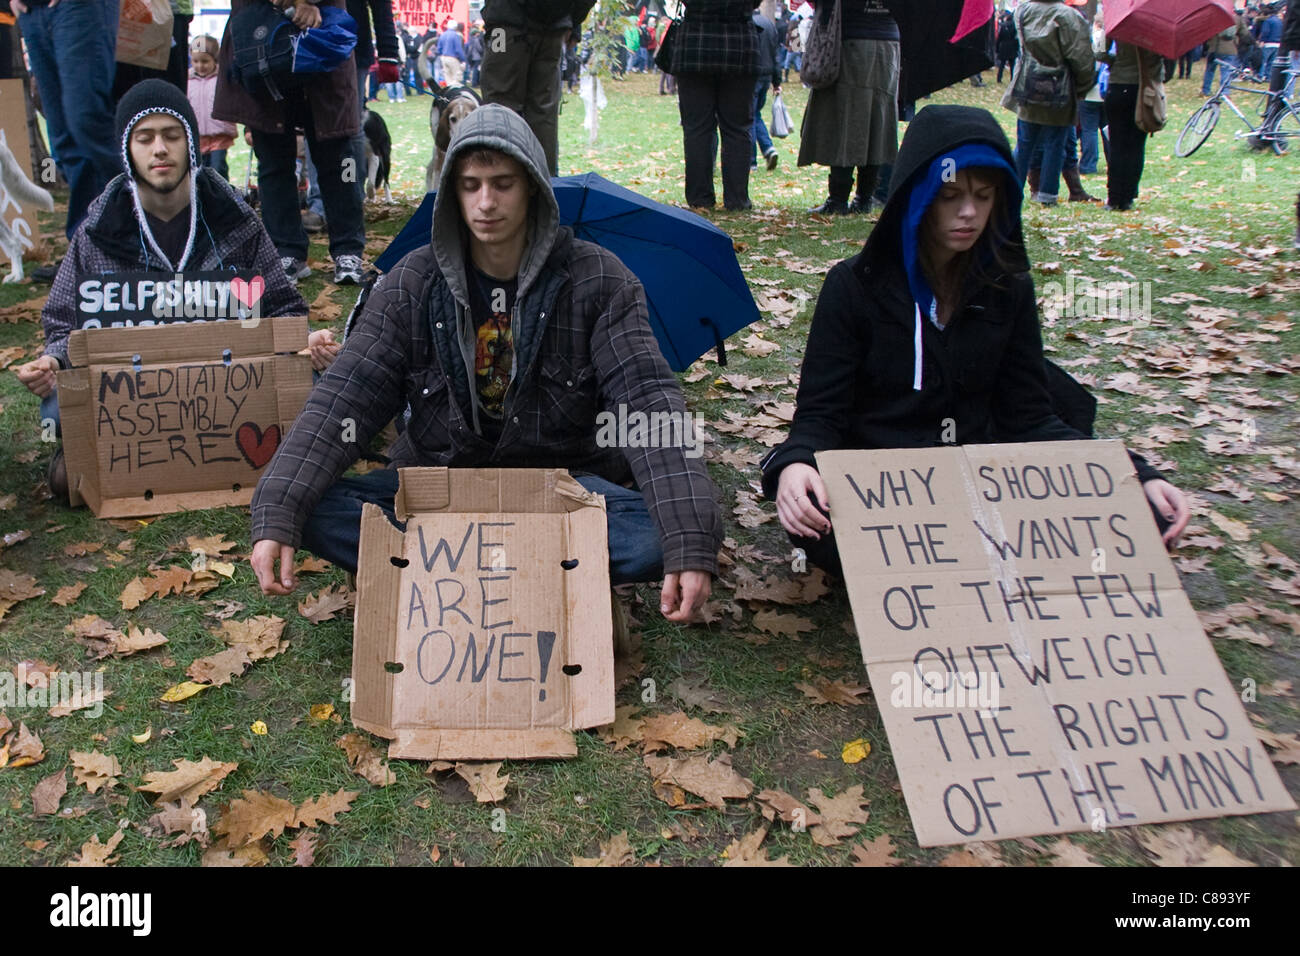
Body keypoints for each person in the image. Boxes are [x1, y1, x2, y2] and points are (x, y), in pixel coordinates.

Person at [249, 105, 722, 624]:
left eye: (503, 184)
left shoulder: (599, 281)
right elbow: (347, 394)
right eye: (470, 185)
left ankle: (462, 569)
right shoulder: (411, 283)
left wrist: (687, 538)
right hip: (439, 497)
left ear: (534, 188)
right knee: (307, 508)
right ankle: (528, 570)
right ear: (452, 191)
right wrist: (280, 507)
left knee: (664, 534)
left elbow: (648, 399)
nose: (486, 202)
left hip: (558, 496)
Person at [760, 105, 1189, 576]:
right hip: (883, 486)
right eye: (950, 197)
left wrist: (1134, 474)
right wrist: (796, 465)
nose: (969, 213)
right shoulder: (853, 287)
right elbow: (821, 414)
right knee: (817, 525)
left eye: (984, 197)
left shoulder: (1008, 288)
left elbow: (1030, 416)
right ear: (918, 199)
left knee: (1137, 513)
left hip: (980, 475)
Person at [13, 80, 314, 502]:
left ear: (190, 143)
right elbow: (63, 320)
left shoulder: (236, 220)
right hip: (134, 397)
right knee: (57, 408)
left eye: (172, 135)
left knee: (311, 384)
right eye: (145, 138)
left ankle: (114, 461)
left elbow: (284, 305)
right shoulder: (98, 231)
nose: (160, 149)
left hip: (224, 387)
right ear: (127, 150)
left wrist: (302, 341)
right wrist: (52, 360)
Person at [214, 0, 368, 286]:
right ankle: (286, 251)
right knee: (272, 160)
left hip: (324, 36)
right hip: (260, 42)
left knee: (342, 161)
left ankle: (349, 249)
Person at [12, 0, 119, 241]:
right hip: (32, 11)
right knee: (63, 137)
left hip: (79, 7)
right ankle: (86, 246)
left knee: (86, 121)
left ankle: (141, 228)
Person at [800, 0, 901, 216]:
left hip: (851, 38)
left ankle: (838, 199)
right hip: (889, 41)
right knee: (878, 121)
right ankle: (864, 198)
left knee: (845, 119)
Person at [481, 0, 595, 177]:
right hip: (553, 30)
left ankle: (500, 180)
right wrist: (572, 21)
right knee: (544, 113)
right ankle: (544, 184)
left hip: (504, 28)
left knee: (498, 107)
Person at [665, 0, 761, 211]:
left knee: (697, 129)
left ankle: (700, 199)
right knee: (737, 129)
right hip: (740, 46)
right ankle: (737, 200)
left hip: (694, 44)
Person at [1003, 0, 1096, 206]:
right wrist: (1083, 85)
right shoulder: (1068, 16)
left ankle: (1011, 191)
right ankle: (1048, 194)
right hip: (1060, 86)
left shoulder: (1023, 10)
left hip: (1028, 83)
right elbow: (1080, 56)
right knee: (1056, 143)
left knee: (1025, 143)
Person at [1099, 40, 1162, 212]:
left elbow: (1098, 51)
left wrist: (1114, 60)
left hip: (1119, 85)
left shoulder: (1114, 21)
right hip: (1143, 88)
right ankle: (1128, 195)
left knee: (1117, 144)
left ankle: (1114, 196)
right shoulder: (1155, 27)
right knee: (1136, 144)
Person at [187, 35, 237, 181]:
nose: (200, 66)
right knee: (198, 171)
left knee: (218, 168)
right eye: (195, 61)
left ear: (215, 59)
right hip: (198, 136)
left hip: (219, 135)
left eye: (205, 61)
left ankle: (222, 196)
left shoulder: (222, 79)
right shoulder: (188, 81)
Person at [752, 0, 783, 172]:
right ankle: (768, 148)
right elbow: (775, 54)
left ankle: (751, 161)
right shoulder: (769, 25)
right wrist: (777, 81)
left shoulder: (749, 24)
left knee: (748, 116)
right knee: (755, 114)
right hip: (767, 75)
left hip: (752, 75)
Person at [438, 18, 467, 86]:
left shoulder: (443, 35)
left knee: (448, 78)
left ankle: (449, 94)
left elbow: (439, 48)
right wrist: (463, 60)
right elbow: (458, 50)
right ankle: (456, 93)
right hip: (453, 58)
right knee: (456, 78)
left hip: (444, 58)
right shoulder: (455, 35)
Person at [995, 8, 1018, 84]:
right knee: (1012, 65)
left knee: (1002, 64)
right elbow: (1016, 37)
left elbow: (1000, 37)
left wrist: (997, 48)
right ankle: (1012, 79)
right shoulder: (1015, 26)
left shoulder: (1003, 25)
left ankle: (999, 78)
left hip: (1004, 46)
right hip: (1012, 46)